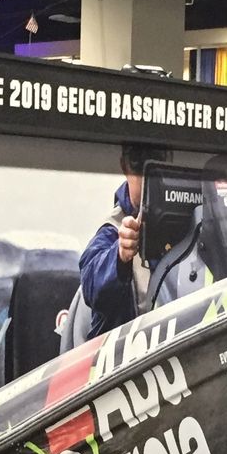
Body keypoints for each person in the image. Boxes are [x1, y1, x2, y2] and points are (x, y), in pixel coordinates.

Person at [78, 143, 166, 335]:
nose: (146, 178)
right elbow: (91, 285)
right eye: (138, 165)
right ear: (124, 166)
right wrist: (119, 256)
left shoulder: (193, 219)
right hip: (136, 348)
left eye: (156, 161)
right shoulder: (113, 228)